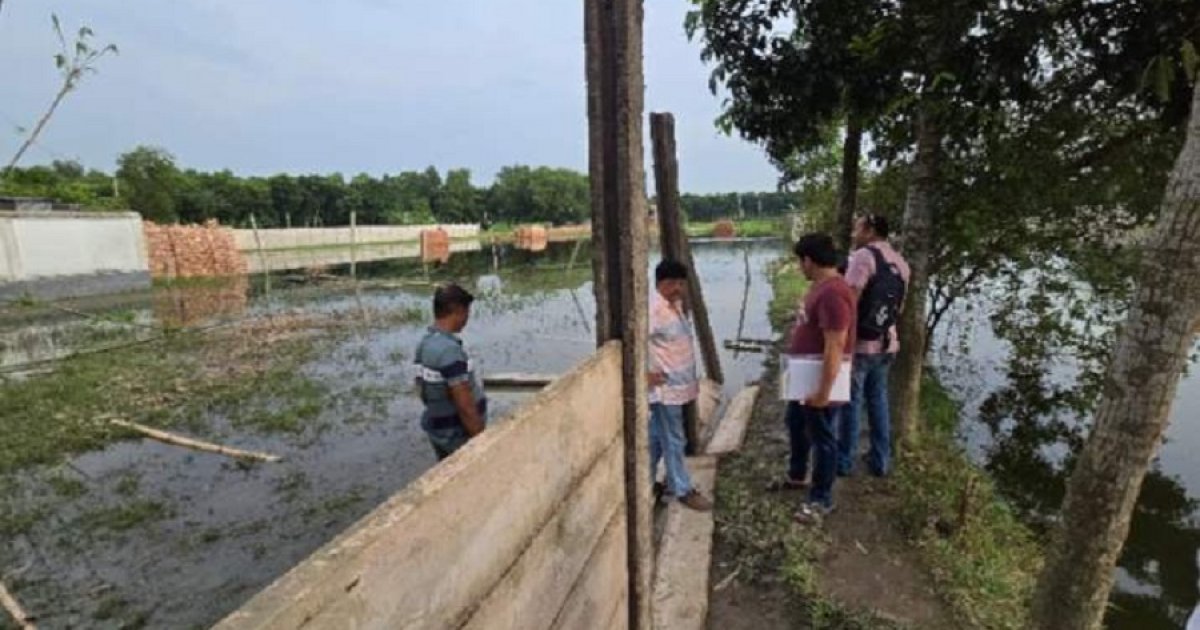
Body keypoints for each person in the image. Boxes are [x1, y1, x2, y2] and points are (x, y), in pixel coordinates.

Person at [785, 234, 856, 524]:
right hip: (803, 376)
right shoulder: (819, 288)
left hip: (819, 381)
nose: (800, 268)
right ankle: (797, 474)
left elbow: (836, 345)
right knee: (795, 424)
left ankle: (821, 499)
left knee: (823, 438)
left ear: (809, 261)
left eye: (800, 262)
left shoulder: (833, 293)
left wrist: (824, 390)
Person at [839, 214, 910, 477]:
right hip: (888, 343)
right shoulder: (901, 263)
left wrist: (839, 342)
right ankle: (881, 460)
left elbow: (849, 302)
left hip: (861, 344)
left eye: (857, 228)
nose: (853, 233)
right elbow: (898, 309)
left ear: (869, 231)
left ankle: (844, 460)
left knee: (851, 403)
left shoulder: (862, 257)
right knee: (878, 400)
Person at [647, 259, 713, 512]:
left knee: (655, 437)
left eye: (681, 283)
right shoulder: (652, 310)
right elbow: (634, 340)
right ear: (660, 283)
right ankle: (682, 489)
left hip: (679, 386)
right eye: (672, 283)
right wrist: (643, 374)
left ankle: (647, 481)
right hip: (665, 390)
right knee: (674, 438)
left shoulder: (673, 306)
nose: (678, 288)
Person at [414, 283, 487, 460]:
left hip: (439, 433)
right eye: (467, 313)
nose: (467, 319)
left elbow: (421, 389)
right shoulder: (449, 351)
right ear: (458, 310)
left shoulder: (426, 344)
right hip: (457, 437)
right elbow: (465, 405)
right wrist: (483, 443)